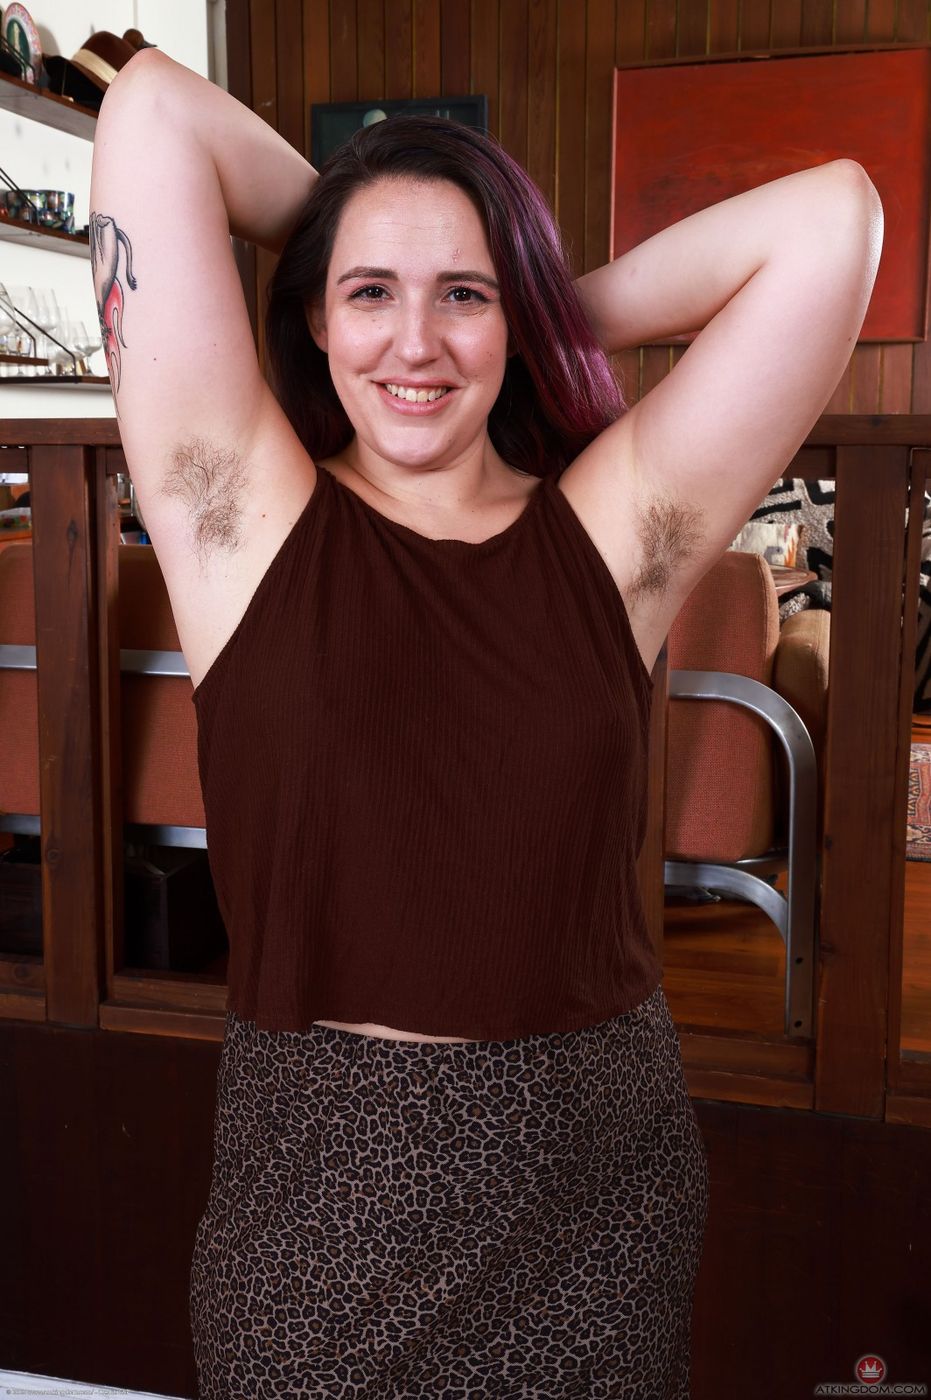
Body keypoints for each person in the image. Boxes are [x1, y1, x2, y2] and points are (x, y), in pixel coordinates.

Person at [90, 47, 882, 1400]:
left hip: (592, 1205)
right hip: (319, 1211)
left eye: (463, 295)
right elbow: (153, 109)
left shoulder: (612, 536)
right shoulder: (238, 519)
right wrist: (373, 218)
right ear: (315, 318)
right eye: (370, 294)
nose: (416, 342)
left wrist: (537, 298)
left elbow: (835, 221)